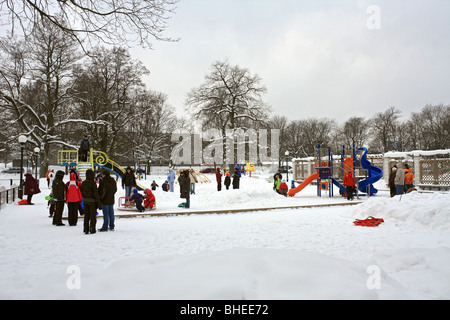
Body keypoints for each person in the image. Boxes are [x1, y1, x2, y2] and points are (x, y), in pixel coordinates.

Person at [81, 169, 101, 234]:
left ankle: (86, 229)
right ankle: (92, 228)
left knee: (86, 216)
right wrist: (98, 202)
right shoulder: (93, 183)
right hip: (92, 201)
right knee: (92, 216)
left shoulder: (83, 183)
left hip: (85, 200)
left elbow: (81, 191)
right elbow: (95, 193)